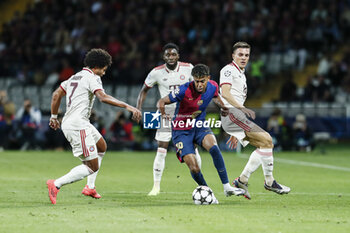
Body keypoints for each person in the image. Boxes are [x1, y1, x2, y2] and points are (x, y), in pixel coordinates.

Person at [46, 48, 141, 204]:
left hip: (78, 122)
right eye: (104, 69)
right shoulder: (93, 77)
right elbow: (102, 98)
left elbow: (56, 94)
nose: (104, 72)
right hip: (78, 125)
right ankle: (55, 184)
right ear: (97, 66)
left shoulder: (74, 77)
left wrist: (54, 117)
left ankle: (90, 187)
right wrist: (127, 106)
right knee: (92, 167)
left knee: (101, 146)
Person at [157, 64, 245, 203]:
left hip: (199, 126)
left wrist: (223, 106)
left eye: (202, 81)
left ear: (208, 79)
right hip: (181, 130)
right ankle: (207, 191)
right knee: (194, 167)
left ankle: (227, 186)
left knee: (214, 147)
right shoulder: (184, 90)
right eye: (196, 81)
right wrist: (163, 115)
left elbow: (216, 96)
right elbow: (162, 101)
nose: (199, 84)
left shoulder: (213, 86)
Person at [220, 41, 291, 200]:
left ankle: (242, 180)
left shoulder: (241, 73)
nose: (244, 58)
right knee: (266, 139)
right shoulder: (228, 70)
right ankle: (269, 182)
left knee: (265, 143)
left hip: (235, 117)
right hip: (232, 114)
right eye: (240, 55)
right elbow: (225, 93)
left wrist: (235, 131)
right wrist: (240, 109)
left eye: (246, 55)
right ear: (233, 56)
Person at [136, 43, 202, 196]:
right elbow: (144, 90)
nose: (171, 57)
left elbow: (199, 86)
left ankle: (201, 184)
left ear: (178, 56)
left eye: (173, 55)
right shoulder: (156, 72)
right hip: (167, 113)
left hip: (187, 114)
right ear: (163, 57)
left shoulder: (188, 68)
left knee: (193, 147)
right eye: (168, 55)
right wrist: (138, 107)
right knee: (162, 148)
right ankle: (156, 187)